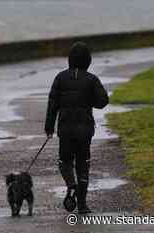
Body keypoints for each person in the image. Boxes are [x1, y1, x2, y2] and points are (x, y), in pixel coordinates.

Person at [44, 42, 109, 214]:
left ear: (70, 59)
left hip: (65, 129)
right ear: (88, 60)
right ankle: (82, 204)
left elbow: (52, 105)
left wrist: (49, 127)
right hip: (85, 130)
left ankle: (71, 185)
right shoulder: (92, 79)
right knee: (83, 163)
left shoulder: (60, 77)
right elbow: (103, 101)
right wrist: (88, 100)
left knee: (64, 161)